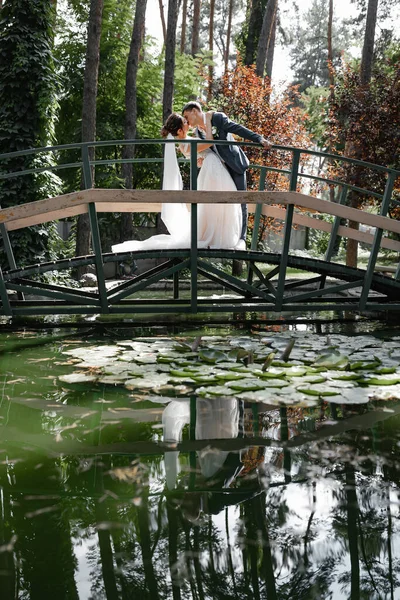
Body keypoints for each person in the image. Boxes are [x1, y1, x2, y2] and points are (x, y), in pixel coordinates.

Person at [111, 112, 242, 253]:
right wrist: (209, 121)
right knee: (217, 204)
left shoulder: (184, 143)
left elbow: (198, 158)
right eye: (185, 123)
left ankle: (217, 235)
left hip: (210, 170)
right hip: (212, 171)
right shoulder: (187, 143)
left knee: (213, 206)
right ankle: (217, 237)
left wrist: (201, 160)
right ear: (180, 131)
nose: (188, 123)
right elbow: (210, 142)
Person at [182, 101, 272, 249]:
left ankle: (241, 239)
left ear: (194, 111)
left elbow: (237, 129)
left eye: (187, 116)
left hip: (235, 165)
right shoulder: (198, 133)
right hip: (220, 170)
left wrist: (259, 138)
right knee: (224, 204)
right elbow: (207, 150)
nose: (187, 121)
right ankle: (224, 237)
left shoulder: (217, 118)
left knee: (241, 199)